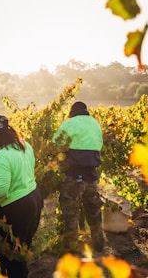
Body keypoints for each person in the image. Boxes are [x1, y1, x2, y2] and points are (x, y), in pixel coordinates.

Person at [0, 113, 43, 278]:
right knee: (22, 247)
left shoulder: (2, 158)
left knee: (11, 256)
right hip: (34, 197)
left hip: (16, 209)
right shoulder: (24, 146)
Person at [52, 101, 104, 254]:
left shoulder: (70, 123)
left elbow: (55, 142)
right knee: (94, 210)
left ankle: (71, 247)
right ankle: (99, 243)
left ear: (72, 112)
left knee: (70, 212)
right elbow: (98, 146)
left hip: (74, 176)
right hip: (92, 177)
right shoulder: (95, 123)